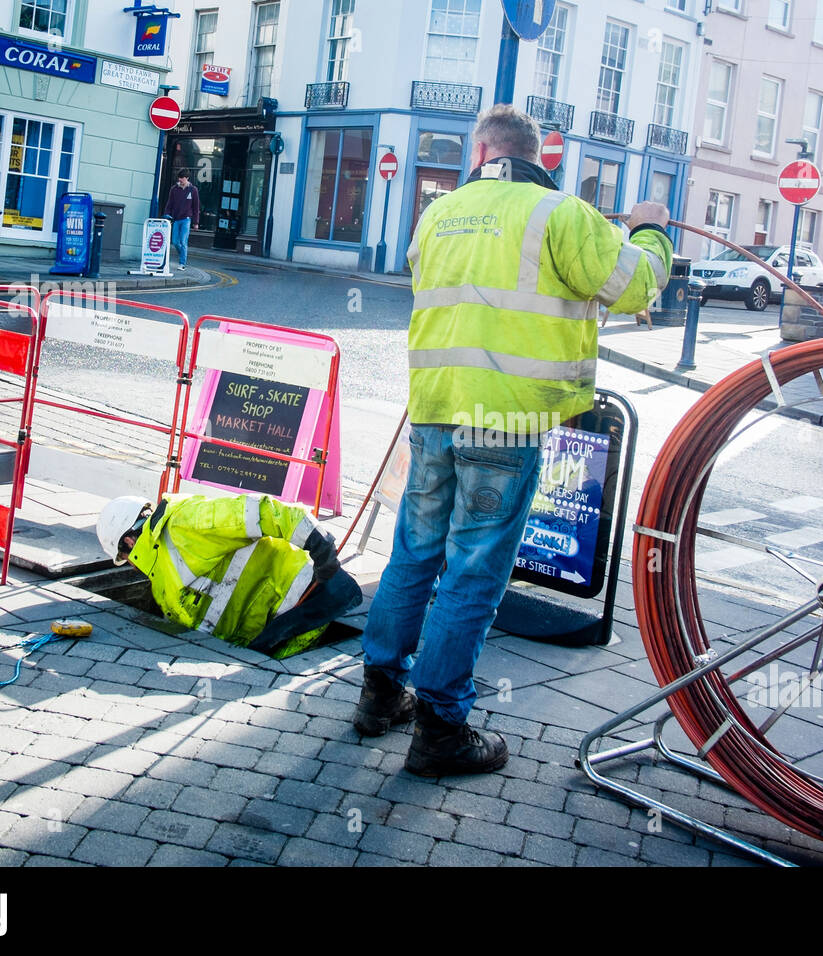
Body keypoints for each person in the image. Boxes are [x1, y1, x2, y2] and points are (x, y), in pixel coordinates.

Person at [352, 104, 672, 776]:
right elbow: (635, 282)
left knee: (415, 553)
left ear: (481, 152)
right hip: (508, 420)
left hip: (435, 410)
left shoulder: (439, 213)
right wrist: (649, 232)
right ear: (538, 155)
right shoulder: (559, 213)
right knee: (473, 570)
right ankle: (440, 728)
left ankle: (381, 695)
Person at [96, 491, 362, 660]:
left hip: (311, 593)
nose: (132, 566)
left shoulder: (184, 523)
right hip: (273, 626)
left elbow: (259, 510)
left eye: (126, 558)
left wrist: (317, 540)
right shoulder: (161, 576)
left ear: (129, 542)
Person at [163, 170, 200, 271]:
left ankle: (182, 263)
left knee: (183, 242)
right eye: (179, 178)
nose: (180, 180)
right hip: (176, 219)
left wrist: (196, 222)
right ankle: (183, 254)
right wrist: (167, 214)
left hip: (186, 220)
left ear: (187, 178)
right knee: (175, 242)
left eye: (182, 178)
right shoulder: (174, 189)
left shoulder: (193, 190)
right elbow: (169, 203)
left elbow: (196, 207)